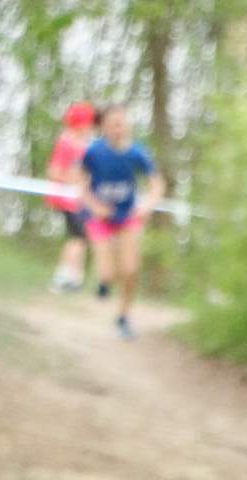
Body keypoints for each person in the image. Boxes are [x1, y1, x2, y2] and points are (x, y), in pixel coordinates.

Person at [74, 103, 165, 340]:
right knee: (107, 273)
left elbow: (156, 184)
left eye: (122, 124)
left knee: (130, 269)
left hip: (127, 217)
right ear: (104, 127)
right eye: (113, 124)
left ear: (128, 125)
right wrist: (95, 206)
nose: (118, 128)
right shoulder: (93, 152)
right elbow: (79, 182)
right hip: (99, 217)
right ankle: (103, 282)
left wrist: (146, 205)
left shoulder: (137, 153)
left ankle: (123, 317)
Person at [45, 102, 95, 294]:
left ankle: (75, 279)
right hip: (67, 200)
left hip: (80, 201)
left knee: (82, 237)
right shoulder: (65, 143)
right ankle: (62, 277)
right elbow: (54, 171)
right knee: (78, 237)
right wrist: (73, 182)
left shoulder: (83, 144)